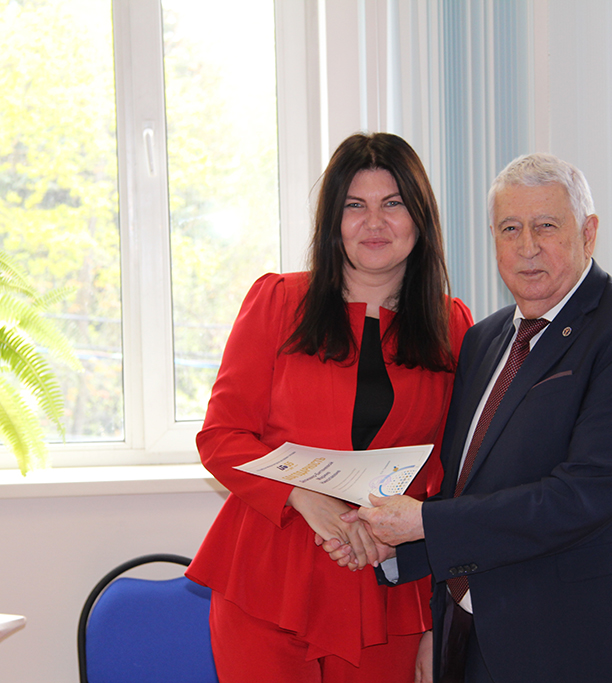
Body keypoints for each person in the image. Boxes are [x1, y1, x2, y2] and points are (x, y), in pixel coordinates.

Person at [338, 153, 612, 682]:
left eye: (546, 226)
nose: (527, 247)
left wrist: (424, 523)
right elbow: (468, 487)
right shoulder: (484, 339)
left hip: (588, 641)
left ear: (588, 233)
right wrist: (399, 545)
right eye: (510, 228)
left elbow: (586, 494)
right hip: (479, 635)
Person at [186, 132, 473, 683]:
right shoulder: (278, 301)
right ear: (332, 221)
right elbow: (221, 438)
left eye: (393, 204)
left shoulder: (453, 326)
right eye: (355, 206)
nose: (374, 223)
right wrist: (304, 496)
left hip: (387, 581)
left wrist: (440, 616)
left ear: (420, 217)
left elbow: (457, 478)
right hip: (269, 576)